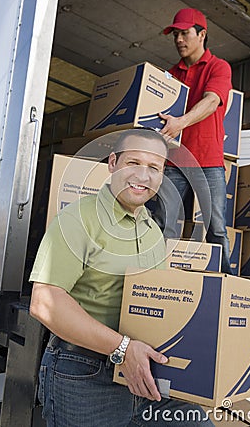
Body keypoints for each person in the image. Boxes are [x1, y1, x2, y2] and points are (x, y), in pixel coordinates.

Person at [29, 128, 214, 427]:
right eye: (133, 163)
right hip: (85, 375)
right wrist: (122, 348)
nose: (143, 175)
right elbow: (44, 302)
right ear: (113, 163)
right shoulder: (78, 218)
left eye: (154, 167)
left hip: (147, 371)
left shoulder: (152, 230)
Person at [153, 7, 233, 274]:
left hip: (208, 162)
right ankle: (154, 279)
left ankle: (224, 283)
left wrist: (180, 123)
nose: (178, 40)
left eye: (184, 33)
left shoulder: (218, 67)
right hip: (175, 162)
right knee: (163, 222)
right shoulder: (169, 75)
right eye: (175, 34)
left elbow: (212, 101)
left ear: (202, 35)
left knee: (216, 228)